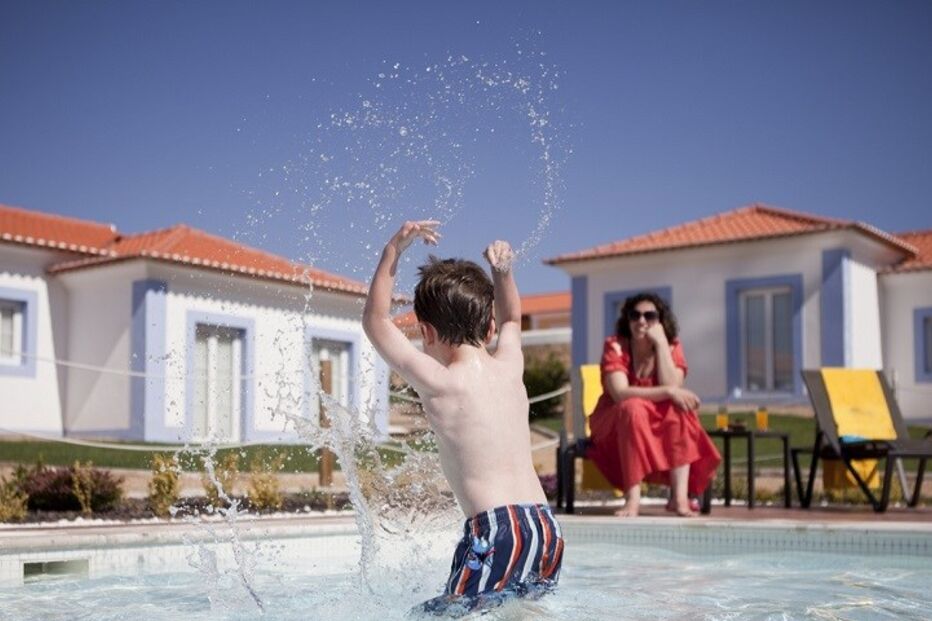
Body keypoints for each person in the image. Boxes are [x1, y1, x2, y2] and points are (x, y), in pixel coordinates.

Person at [362, 220, 563, 614]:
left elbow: (376, 321)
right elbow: (512, 319)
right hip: (545, 528)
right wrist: (502, 272)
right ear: (488, 328)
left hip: (497, 530)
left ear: (426, 332)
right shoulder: (509, 365)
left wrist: (393, 249)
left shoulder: (441, 382)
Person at [586, 292, 721, 518]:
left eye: (649, 316)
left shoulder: (671, 347)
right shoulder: (615, 346)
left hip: (655, 419)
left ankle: (679, 499)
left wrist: (660, 343)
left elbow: (673, 383)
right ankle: (633, 499)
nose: (641, 321)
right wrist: (668, 392)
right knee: (633, 409)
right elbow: (620, 394)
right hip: (614, 421)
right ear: (627, 320)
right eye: (635, 315)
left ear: (660, 321)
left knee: (679, 412)